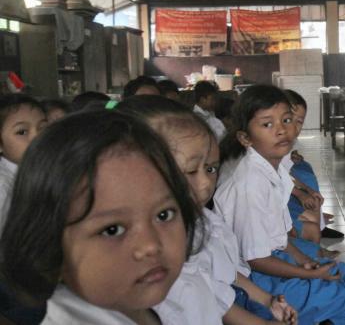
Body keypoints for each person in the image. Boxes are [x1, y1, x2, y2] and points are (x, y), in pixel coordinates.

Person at [0, 111, 200, 324]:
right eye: (112, 229)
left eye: (164, 215)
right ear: (48, 250)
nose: (150, 245)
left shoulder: (140, 306)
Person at [117, 96, 297, 325]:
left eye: (211, 169)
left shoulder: (202, 220)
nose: (205, 184)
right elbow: (206, 301)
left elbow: (222, 278)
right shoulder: (149, 254)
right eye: (191, 171)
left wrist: (268, 301)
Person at [215, 85, 345, 325]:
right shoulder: (249, 185)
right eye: (267, 124)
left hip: (271, 261)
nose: (282, 130)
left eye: (287, 120)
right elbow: (256, 259)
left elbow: (279, 237)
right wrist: (305, 272)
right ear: (245, 138)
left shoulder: (273, 168)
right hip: (252, 284)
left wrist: (303, 261)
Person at [0, 94, 47, 324]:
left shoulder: (38, 172)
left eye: (43, 128)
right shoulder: (3, 184)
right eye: (22, 132)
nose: (37, 138)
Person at [282, 90, 344, 241]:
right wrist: (302, 193)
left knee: (305, 168)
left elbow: (281, 170)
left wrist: (293, 155)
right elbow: (276, 175)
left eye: (300, 121)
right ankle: (314, 224)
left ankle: (318, 223)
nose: (295, 127)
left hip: (284, 180)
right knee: (305, 175)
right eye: (289, 120)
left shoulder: (285, 139)